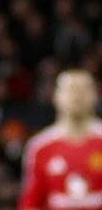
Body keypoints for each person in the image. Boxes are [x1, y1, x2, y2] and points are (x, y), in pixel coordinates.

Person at [19, 69, 102, 210]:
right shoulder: (39, 146)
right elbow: (31, 202)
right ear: (56, 96)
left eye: (83, 89)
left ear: (95, 95)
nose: (77, 95)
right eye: (70, 90)